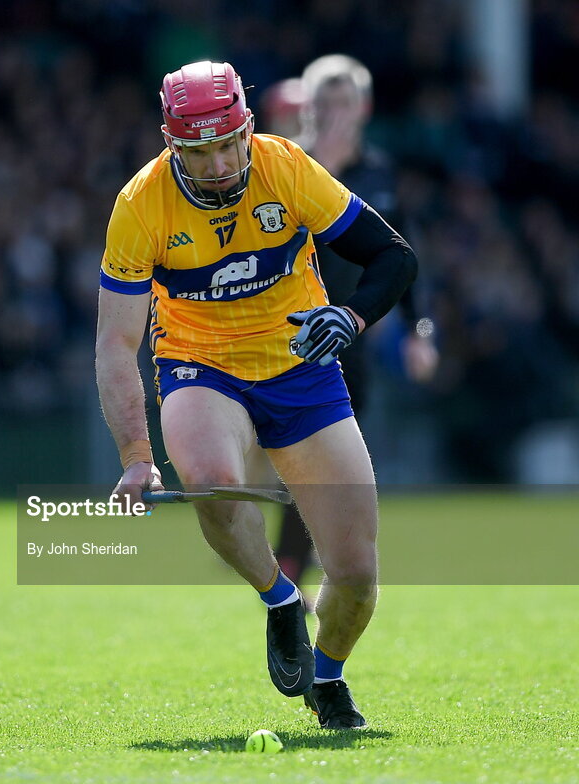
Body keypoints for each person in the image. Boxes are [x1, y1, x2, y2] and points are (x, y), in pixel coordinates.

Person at [96, 60, 418, 730]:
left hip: (299, 368)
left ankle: (326, 677)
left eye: (226, 144)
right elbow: (114, 345)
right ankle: (278, 598)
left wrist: (352, 316)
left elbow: (395, 257)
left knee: (357, 576)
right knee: (211, 478)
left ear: (246, 129)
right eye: (198, 151)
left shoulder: (286, 167)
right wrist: (134, 454)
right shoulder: (140, 205)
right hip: (200, 363)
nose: (216, 164)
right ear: (170, 143)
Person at [262, 56, 438, 597]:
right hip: (280, 330)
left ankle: (297, 567)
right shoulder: (287, 168)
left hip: (349, 336)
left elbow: (401, 256)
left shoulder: (381, 174)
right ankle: (282, 559)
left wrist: (419, 331)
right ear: (306, 107)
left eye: (345, 102)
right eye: (324, 102)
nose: (335, 113)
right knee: (292, 454)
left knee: (328, 458)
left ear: (364, 108)